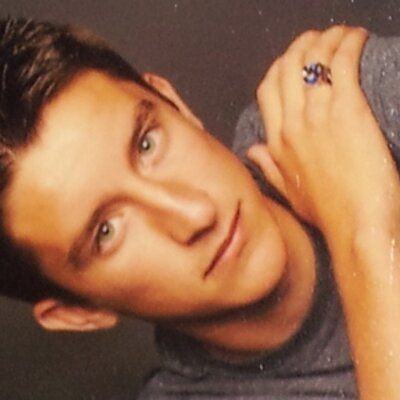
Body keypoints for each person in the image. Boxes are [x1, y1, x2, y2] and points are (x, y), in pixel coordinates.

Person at [0, 17, 399, 399]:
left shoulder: (332, 107)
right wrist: (365, 231)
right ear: (77, 312)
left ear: (174, 102)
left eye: (147, 144)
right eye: (106, 231)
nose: (195, 215)